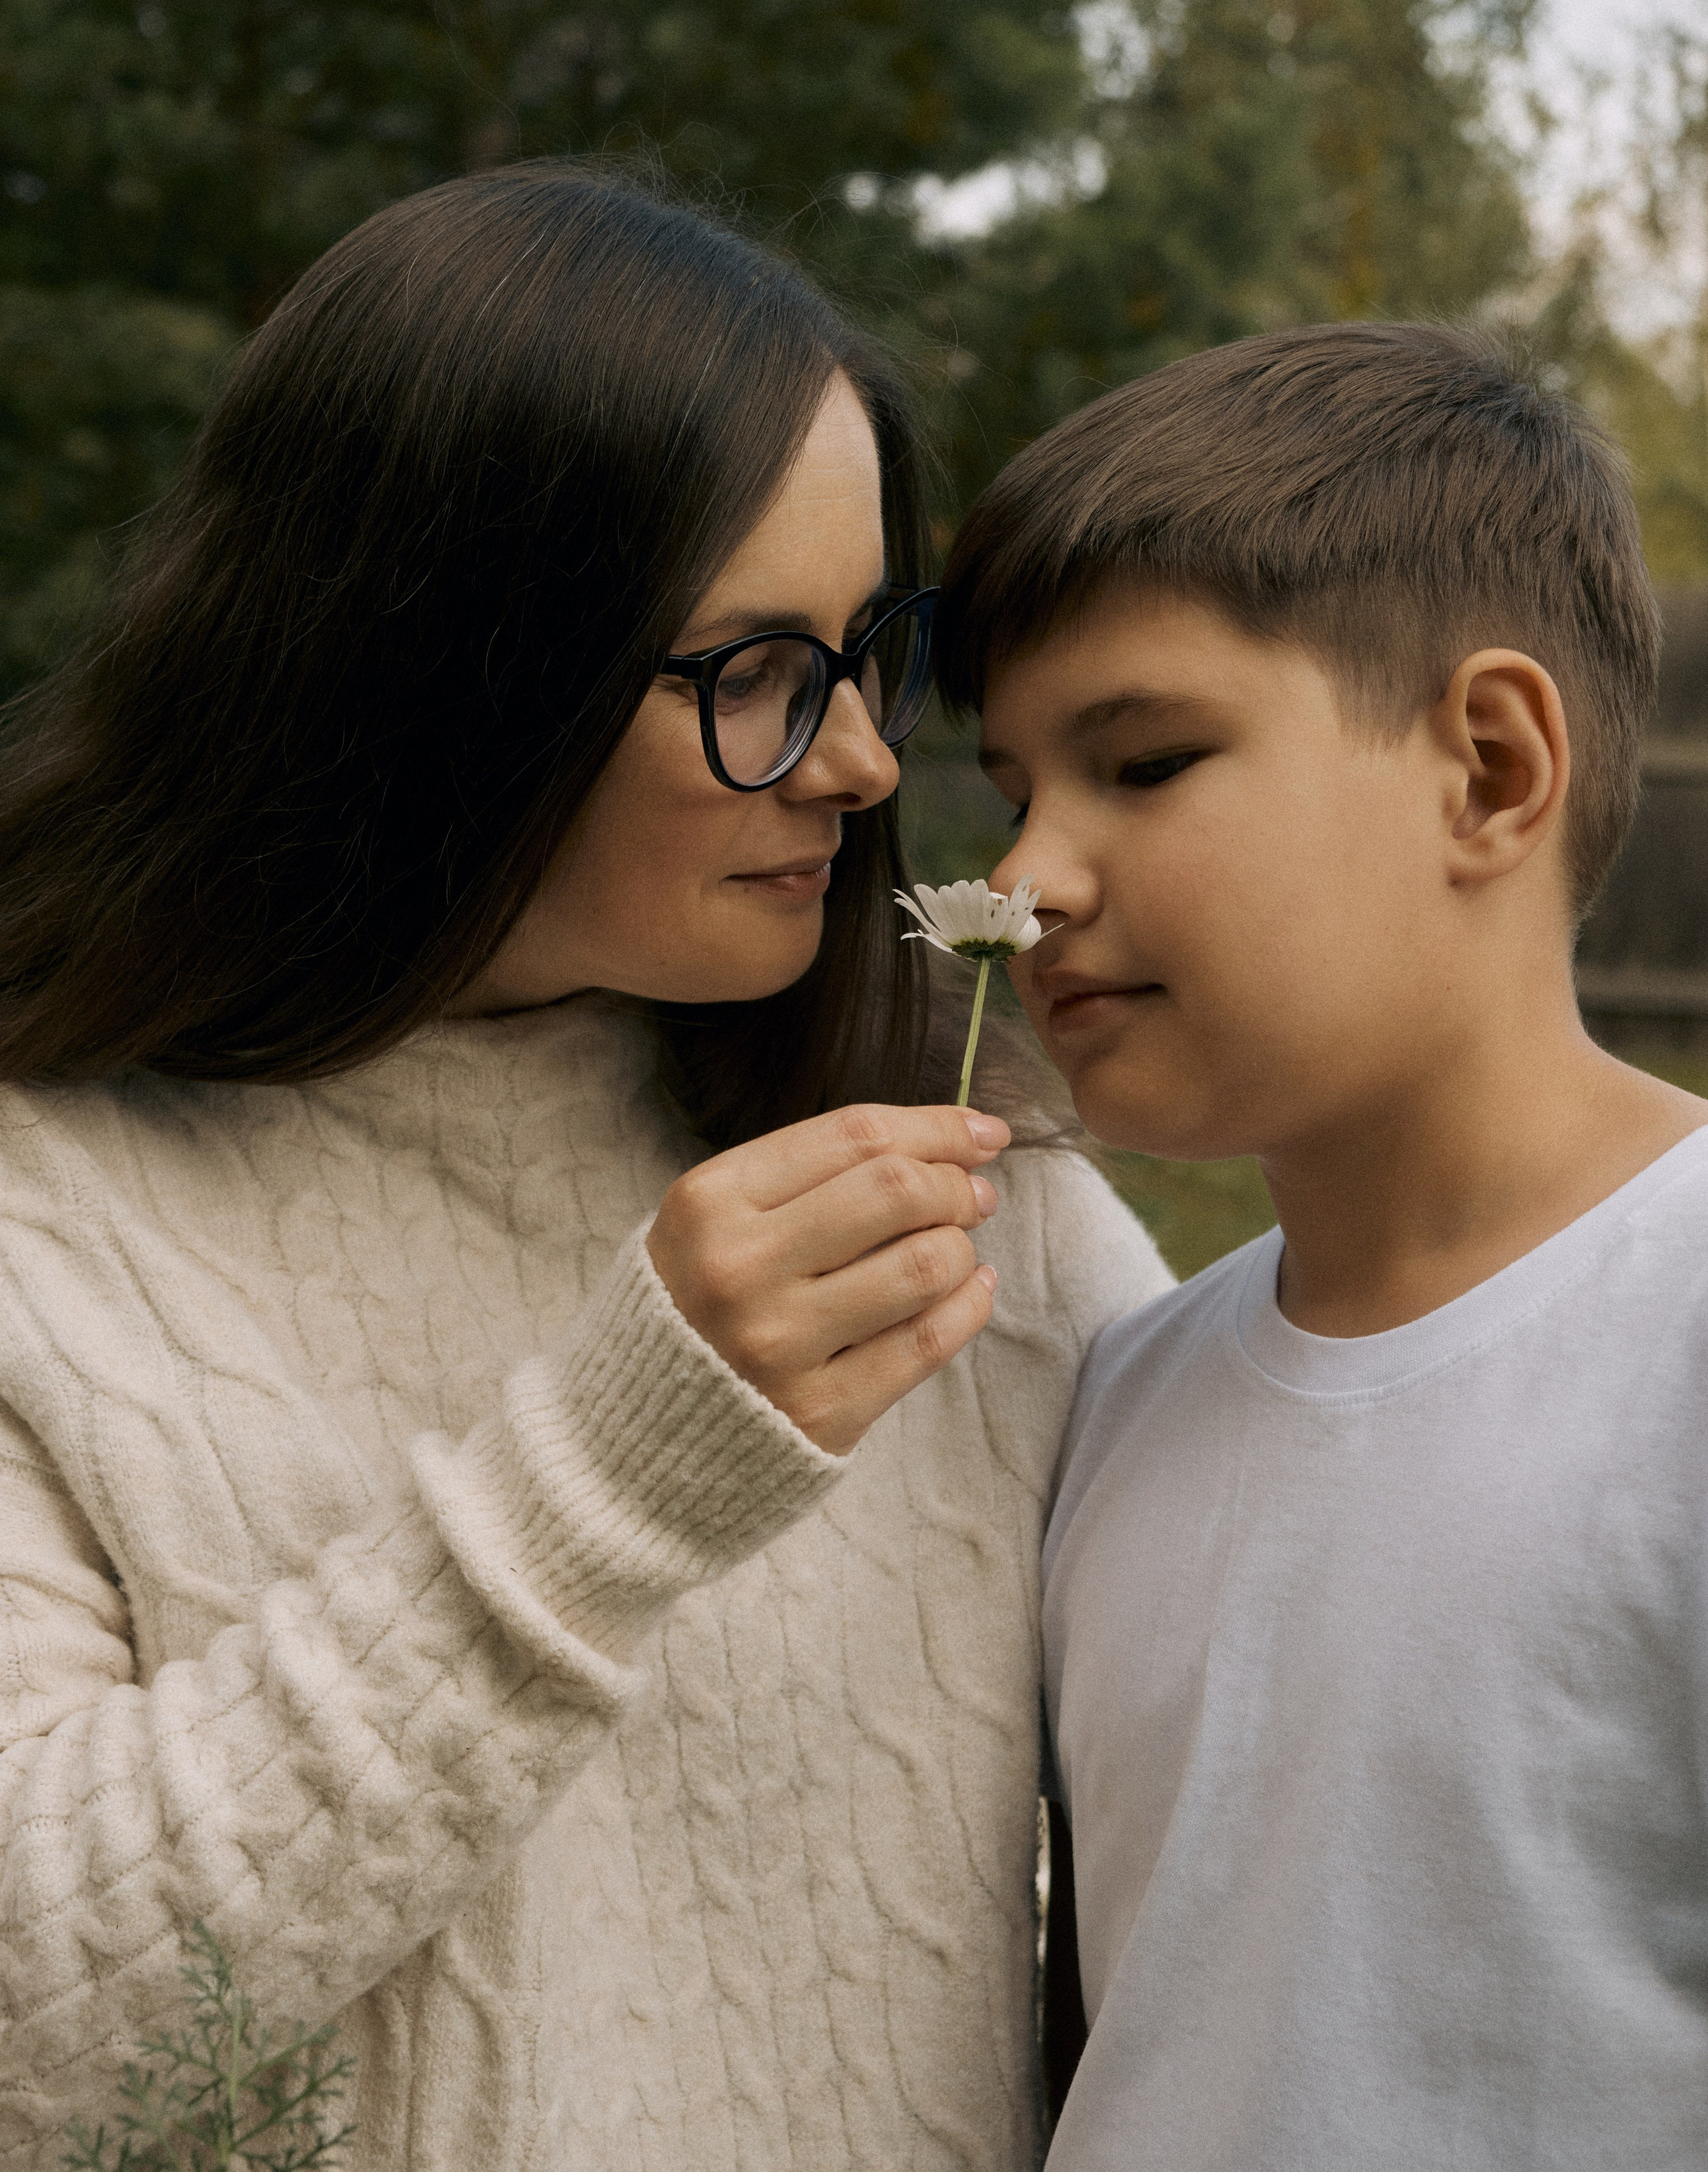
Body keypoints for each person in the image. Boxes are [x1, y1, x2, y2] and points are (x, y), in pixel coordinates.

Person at [0, 163, 1172, 2172]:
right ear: (443, 686)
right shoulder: (49, 1229)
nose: (865, 762)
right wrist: (611, 1479)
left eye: (868, 645)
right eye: (750, 675)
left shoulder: (981, 1190)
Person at [935, 322, 1708, 2171]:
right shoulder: (1114, 1391)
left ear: (1492, 772)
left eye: (1144, 762)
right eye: (1015, 792)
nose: (1031, 882)